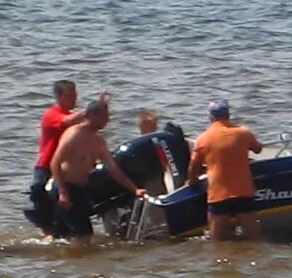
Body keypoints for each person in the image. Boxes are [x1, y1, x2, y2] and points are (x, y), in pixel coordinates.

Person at [48, 97, 147, 244]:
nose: (107, 121)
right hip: (65, 188)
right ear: (92, 115)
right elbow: (55, 163)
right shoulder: (74, 134)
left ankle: (51, 259)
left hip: (80, 190)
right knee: (85, 235)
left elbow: (113, 168)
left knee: (61, 238)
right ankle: (81, 264)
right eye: (104, 117)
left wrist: (134, 189)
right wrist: (63, 193)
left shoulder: (98, 141)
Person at [192, 97, 265, 242]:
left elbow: (193, 167)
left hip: (218, 193)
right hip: (243, 190)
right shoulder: (243, 133)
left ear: (211, 117)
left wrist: (192, 182)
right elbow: (258, 149)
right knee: (253, 238)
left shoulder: (203, 139)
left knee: (217, 241)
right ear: (228, 114)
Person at [26, 80, 88, 235]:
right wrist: (90, 111)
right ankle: (46, 230)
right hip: (46, 165)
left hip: (64, 166)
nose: (74, 98)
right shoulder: (51, 114)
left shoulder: (74, 116)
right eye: (69, 95)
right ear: (58, 97)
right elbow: (67, 122)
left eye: (75, 95)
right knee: (40, 194)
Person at [112, 109, 192, 197]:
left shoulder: (160, 142)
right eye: (146, 128)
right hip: (144, 177)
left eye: (153, 127)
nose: (149, 132)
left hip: (159, 175)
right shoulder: (137, 144)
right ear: (140, 127)